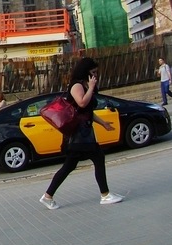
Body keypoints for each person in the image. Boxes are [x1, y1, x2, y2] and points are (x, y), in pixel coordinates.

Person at [40, 58, 124, 209]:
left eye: (96, 72)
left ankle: (48, 196)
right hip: (79, 135)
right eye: (93, 72)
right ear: (85, 71)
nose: (95, 75)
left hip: (83, 133)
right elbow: (82, 103)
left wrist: (104, 124)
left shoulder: (85, 85)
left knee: (69, 166)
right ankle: (105, 195)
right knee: (98, 158)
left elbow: (87, 112)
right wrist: (91, 88)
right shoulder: (77, 85)